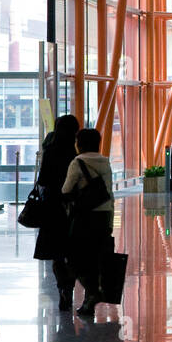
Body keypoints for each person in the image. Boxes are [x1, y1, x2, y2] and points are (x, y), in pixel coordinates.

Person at [62, 127, 115, 319]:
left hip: (85, 217)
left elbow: (66, 190)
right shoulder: (106, 162)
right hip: (104, 215)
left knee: (75, 258)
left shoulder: (77, 162)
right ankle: (89, 301)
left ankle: (93, 292)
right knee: (96, 258)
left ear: (80, 144)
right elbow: (110, 194)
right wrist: (110, 219)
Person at [34, 113, 80, 311]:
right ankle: (69, 284)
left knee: (56, 254)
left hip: (52, 208)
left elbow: (42, 180)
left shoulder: (50, 151)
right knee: (73, 251)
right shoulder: (76, 154)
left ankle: (63, 287)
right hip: (73, 209)